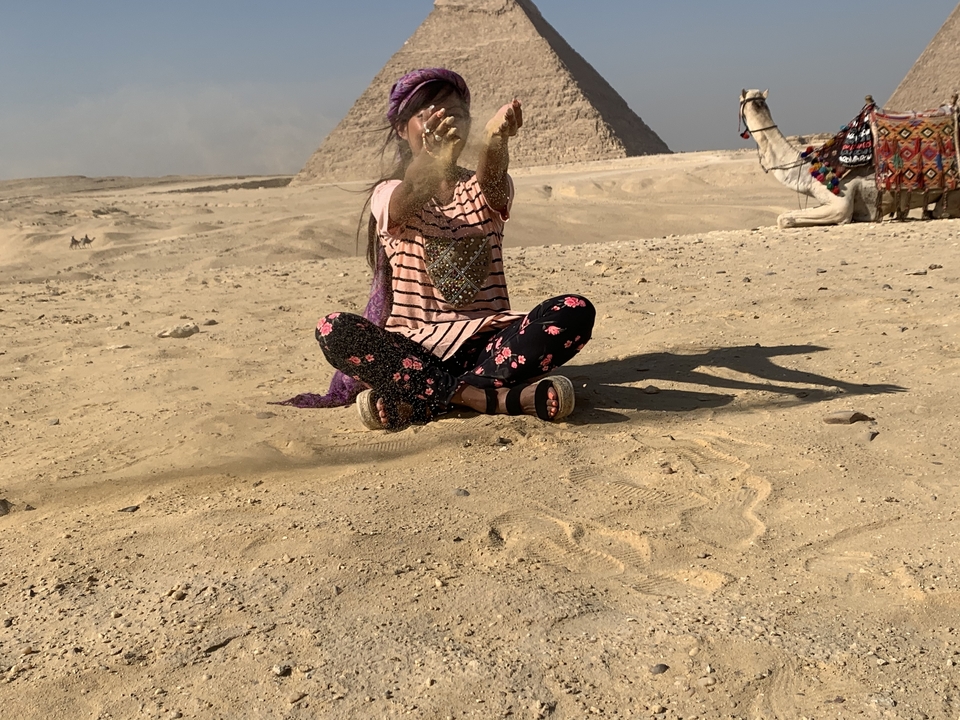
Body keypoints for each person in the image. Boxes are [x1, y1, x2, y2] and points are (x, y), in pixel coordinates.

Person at [302, 67, 595, 429]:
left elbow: (492, 180)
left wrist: (495, 142)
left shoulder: (482, 189)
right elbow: (411, 192)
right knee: (333, 329)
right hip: (414, 349)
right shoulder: (388, 193)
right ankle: (488, 397)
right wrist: (432, 158)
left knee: (574, 311)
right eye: (429, 115)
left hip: (488, 346)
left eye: (454, 114)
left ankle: (420, 398)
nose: (443, 122)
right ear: (402, 128)